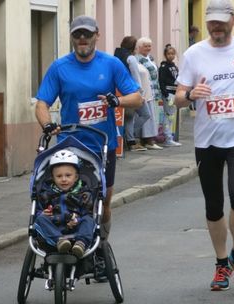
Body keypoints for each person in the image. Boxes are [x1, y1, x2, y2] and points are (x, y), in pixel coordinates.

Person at [175, 0, 234, 291]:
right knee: (213, 205)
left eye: (221, 21)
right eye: (211, 22)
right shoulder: (193, 54)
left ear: (233, 20)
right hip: (207, 140)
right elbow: (178, 97)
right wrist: (191, 93)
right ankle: (220, 263)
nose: (216, 27)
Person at [35, 15, 142, 239]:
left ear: (97, 35)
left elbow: (137, 98)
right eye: (77, 34)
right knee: (65, 199)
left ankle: (101, 246)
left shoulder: (111, 64)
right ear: (72, 38)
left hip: (103, 146)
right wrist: (47, 124)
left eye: (87, 34)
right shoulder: (59, 67)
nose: (83, 38)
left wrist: (117, 101)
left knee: (103, 200)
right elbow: (42, 103)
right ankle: (70, 241)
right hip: (70, 148)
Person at [33, 149, 95, 258]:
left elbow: (88, 212)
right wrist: (42, 213)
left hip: (76, 229)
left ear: (76, 177)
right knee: (40, 219)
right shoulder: (46, 193)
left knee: (89, 220)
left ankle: (81, 243)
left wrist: (77, 220)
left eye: (68, 175)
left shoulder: (83, 193)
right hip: (54, 229)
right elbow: (37, 211)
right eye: (59, 176)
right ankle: (60, 241)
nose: (64, 179)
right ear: (53, 178)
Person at [114, 36, 151, 152]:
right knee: (145, 114)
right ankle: (130, 138)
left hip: (118, 90)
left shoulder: (116, 56)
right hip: (131, 90)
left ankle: (130, 140)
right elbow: (136, 76)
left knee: (129, 116)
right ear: (133, 47)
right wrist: (140, 92)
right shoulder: (131, 58)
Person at [136, 37, 164, 150]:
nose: (148, 48)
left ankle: (150, 139)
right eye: (145, 46)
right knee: (147, 116)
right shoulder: (137, 59)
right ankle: (147, 140)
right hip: (144, 91)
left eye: (149, 46)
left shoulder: (150, 58)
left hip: (153, 90)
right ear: (139, 47)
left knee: (153, 116)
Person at [158, 44, 182, 147]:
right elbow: (161, 81)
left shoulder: (174, 66)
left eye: (173, 53)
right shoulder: (164, 67)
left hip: (174, 93)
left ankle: (169, 136)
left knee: (171, 116)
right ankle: (168, 138)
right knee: (168, 116)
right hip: (168, 93)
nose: (171, 55)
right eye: (169, 54)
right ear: (165, 54)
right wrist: (166, 94)